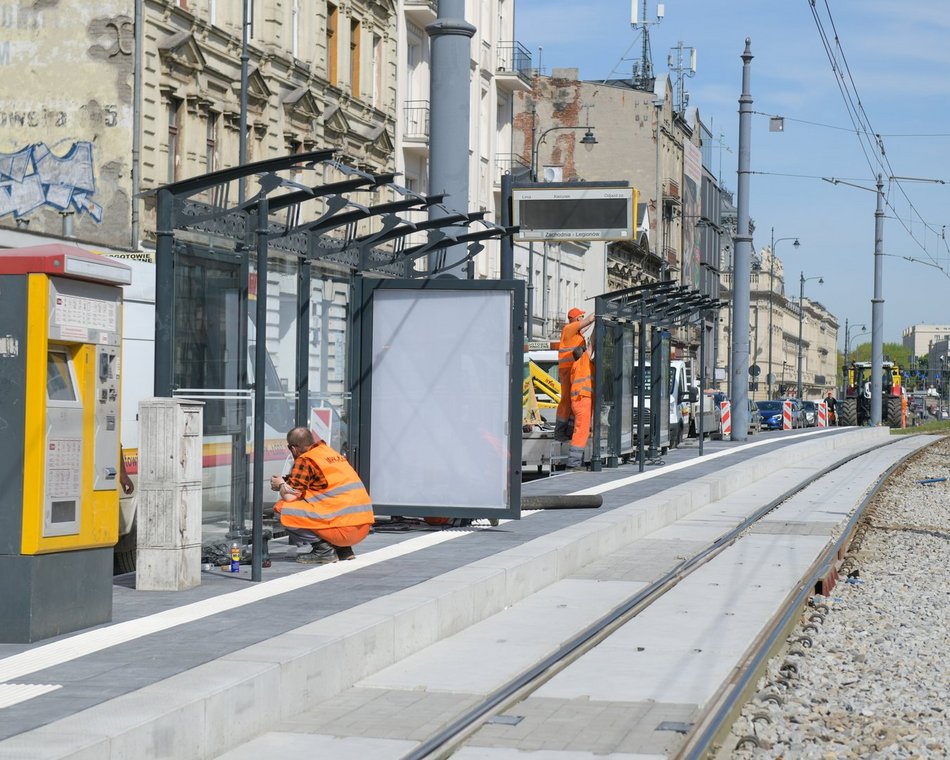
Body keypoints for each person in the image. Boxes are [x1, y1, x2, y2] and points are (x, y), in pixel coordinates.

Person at [271, 427, 374, 564]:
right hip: (362, 527)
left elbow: (289, 497)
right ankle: (342, 549)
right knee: (319, 506)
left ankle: (323, 550)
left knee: (282, 508)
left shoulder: (305, 460)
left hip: (343, 530)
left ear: (293, 448)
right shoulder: (328, 452)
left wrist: (281, 484)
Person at [554, 307, 595, 441]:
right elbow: (589, 320)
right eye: (581, 317)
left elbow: (585, 327)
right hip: (567, 369)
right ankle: (560, 431)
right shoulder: (569, 328)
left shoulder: (575, 333)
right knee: (566, 399)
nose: (583, 319)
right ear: (577, 318)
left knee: (572, 400)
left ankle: (569, 429)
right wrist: (601, 311)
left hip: (572, 369)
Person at [565, 340, 593, 470]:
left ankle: (577, 461)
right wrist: (596, 322)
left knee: (579, 430)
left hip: (578, 401)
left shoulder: (577, 366)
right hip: (582, 401)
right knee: (581, 432)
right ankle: (573, 463)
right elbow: (591, 345)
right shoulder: (583, 362)